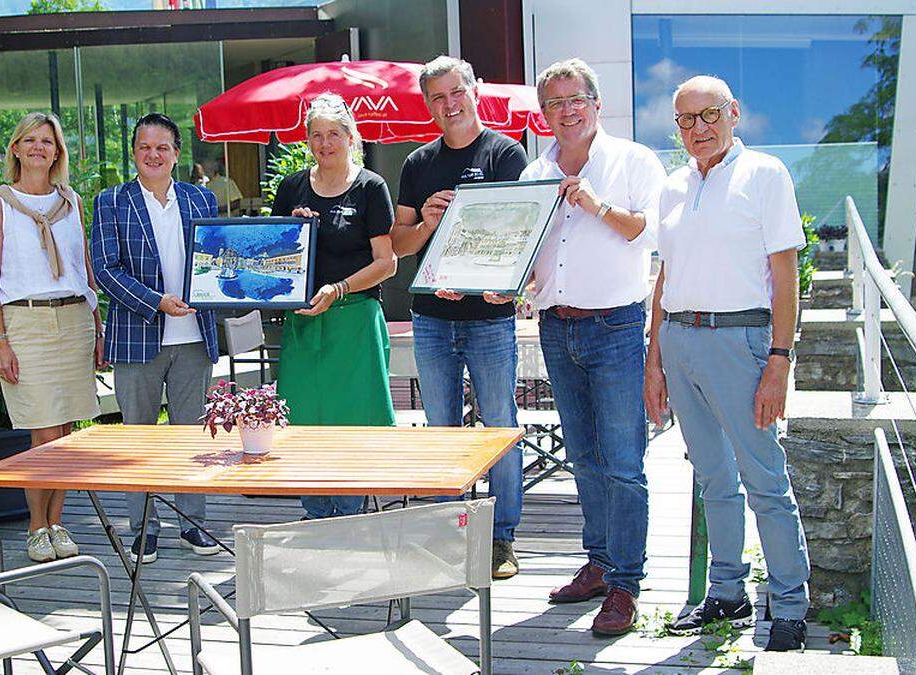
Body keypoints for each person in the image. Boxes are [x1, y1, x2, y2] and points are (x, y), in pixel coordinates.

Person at [645, 75, 811, 652]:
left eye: (709, 115)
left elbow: (786, 278)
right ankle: (726, 593)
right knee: (712, 478)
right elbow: (664, 278)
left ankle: (789, 606)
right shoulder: (671, 186)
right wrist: (654, 362)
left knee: (764, 478)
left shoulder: (765, 175)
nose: (699, 129)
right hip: (680, 340)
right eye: (686, 121)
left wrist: (779, 361)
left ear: (733, 112)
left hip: (742, 341)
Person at [520, 58, 666, 637]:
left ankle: (627, 583)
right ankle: (600, 563)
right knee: (582, 455)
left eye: (574, 99)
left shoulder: (633, 160)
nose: (566, 111)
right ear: (543, 115)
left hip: (617, 327)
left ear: (596, 103)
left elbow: (648, 233)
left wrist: (594, 204)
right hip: (557, 325)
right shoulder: (535, 171)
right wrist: (503, 278)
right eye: (554, 104)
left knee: (624, 463)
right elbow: (527, 251)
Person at [389, 56, 527, 579]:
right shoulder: (418, 164)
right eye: (438, 98)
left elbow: (521, 233)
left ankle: (501, 538)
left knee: (499, 426)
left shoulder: (505, 153)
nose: (449, 105)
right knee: (442, 429)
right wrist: (425, 221)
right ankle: (451, 531)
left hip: (488, 315)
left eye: (456, 93)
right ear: (428, 106)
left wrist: (506, 286)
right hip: (431, 313)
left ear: (475, 89)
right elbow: (399, 247)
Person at [91, 112, 222, 561]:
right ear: (133, 153)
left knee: (191, 437)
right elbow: (106, 270)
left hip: (193, 337)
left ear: (176, 154)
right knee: (138, 441)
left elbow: (216, 261)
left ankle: (193, 524)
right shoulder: (111, 201)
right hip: (137, 337)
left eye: (162, 147)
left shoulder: (200, 200)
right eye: (144, 147)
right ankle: (143, 528)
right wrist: (156, 302)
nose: (153, 155)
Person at [0, 112, 105, 562]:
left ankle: (58, 522)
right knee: (44, 432)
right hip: (25, 324)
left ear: (57, 151)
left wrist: (97, 327)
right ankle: (36, 526)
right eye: (28, 140)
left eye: (46, 141)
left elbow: (82, 269)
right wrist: (0, 342)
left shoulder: (70, 202)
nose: (37, 148)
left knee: (67, 430)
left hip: (73, 320)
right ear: (15, 149)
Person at [271, 93, 398, 519]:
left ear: (350, 137)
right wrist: (294, 231)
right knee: (303, 422)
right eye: (317, 135)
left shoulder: (370, 186)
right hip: (305, 324)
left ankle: (349, 517)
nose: (325, 144)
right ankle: (315, 518)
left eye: (334, 135)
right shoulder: (291, 187)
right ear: (307, 140)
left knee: (354, 428)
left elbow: (388, 263)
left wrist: (338, 289)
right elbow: (273, 259)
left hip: (355, 323)